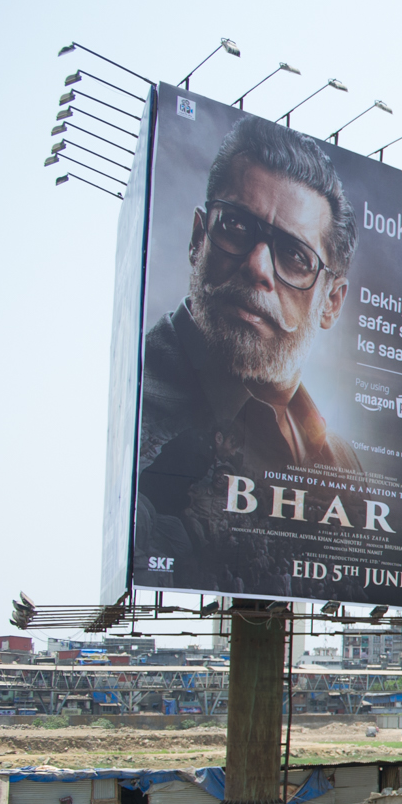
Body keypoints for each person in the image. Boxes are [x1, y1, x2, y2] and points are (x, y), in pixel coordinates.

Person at [134, 116, 361, 589]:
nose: (258, 267)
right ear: (200, 238)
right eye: (235, 226)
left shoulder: (342, 462)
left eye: (294, 256)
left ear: (331, 302)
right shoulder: (143, 414)